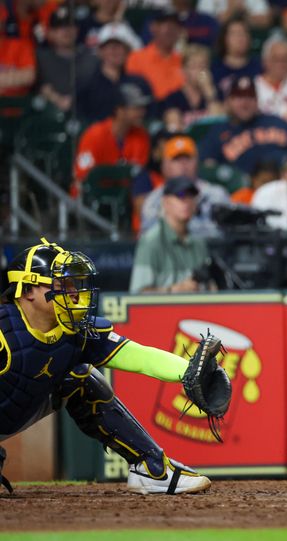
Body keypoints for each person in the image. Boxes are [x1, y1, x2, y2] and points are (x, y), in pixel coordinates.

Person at [0, 239, 219, 494]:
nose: (72, 292)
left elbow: (137, 356)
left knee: (82, 378)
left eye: (73, 283)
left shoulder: (77, 331)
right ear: (28, 291)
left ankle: (151, 468)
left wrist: (189, 372)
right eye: (61, 284)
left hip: (20, 411)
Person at [199, 74, 287, 176]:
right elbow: (208, 167)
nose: (245, 103)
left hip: (285, 184)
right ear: (229, 102)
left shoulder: (276, 122)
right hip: (242, 191)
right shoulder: (218, 131)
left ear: (257, 100)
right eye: (239, 97)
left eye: (250, 97)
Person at [130, 177, 214, 294]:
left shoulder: (198, 242)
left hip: (196, 310)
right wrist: (172, 290)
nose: (186, 202)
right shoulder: (151, 241)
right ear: (165, 202)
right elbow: (137, 294)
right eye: (180, 196)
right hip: (162, 311)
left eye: (191, 196)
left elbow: (209, 286)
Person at [139, 134, 230, 237]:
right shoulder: (154, 200)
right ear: (164, 166)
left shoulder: (216, 195)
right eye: (176, 159)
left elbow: (224, 237)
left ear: (196, 163)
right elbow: (148, 239)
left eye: (187, 158)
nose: (183, 164)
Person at [72, 83, 151, 197]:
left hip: (124, 199)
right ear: (120, 110)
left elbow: (135, 175)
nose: (142, 112)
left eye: (142, 108)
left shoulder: (141, 135)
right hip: (93, 199)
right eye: (136, 108)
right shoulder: (95, 134)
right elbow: (83, 177)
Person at [76, 22, 150, 123]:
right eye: (110, 46)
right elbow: (79, 118)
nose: (115, 51)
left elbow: (148, 117)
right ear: (100, 51)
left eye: (120, 46)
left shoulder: (139, 84)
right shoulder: (86, 83)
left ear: (128, 51)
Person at [36, 6, 99, 113]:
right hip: (49, 115)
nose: (66, 30)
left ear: (77, 30)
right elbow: (37, 87)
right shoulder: (41, 57)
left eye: (70, 25)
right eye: (59, 27)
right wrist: (55, 98)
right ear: (50, 33)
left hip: (87, 113)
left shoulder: (91, 56)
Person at [125, 8, 184, 101]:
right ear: (153, 27)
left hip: (179, 111)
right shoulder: (136, 58)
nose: (170, 29)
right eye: (165, 24)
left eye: (175, 25)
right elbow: (133, 92)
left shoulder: (184, 60)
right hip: (149, 111)